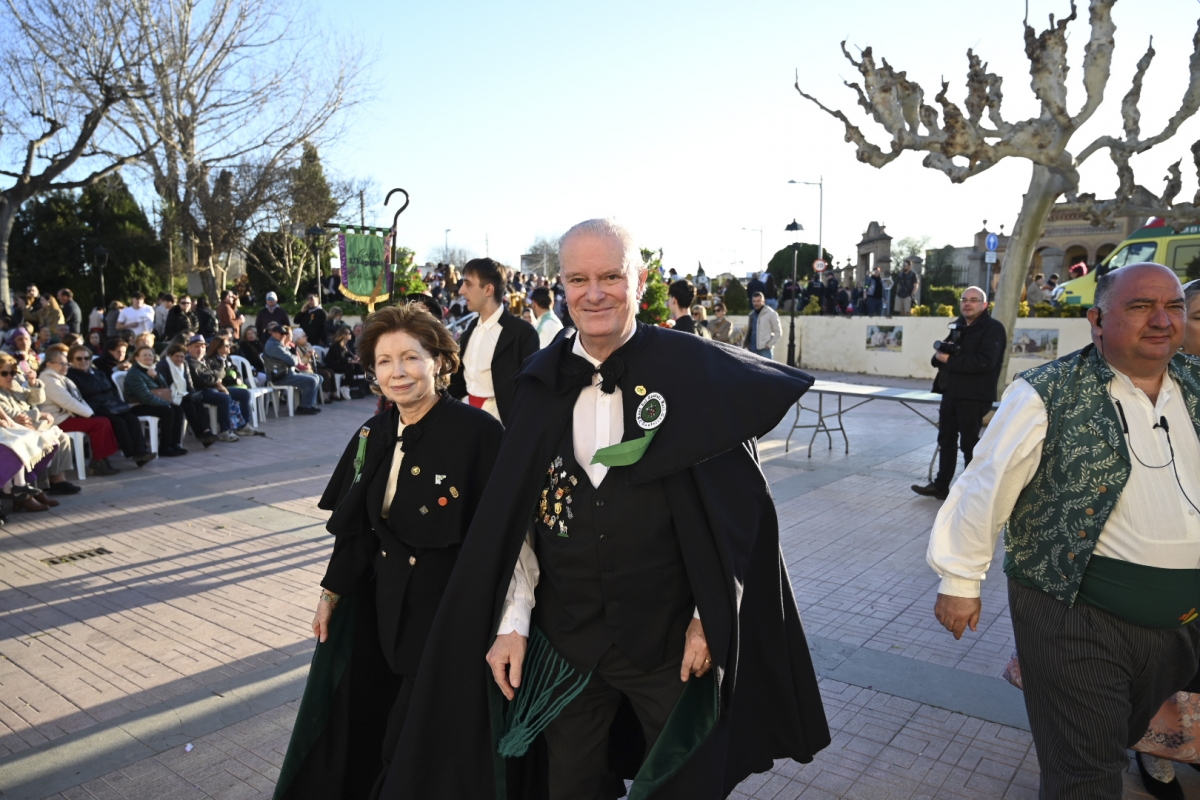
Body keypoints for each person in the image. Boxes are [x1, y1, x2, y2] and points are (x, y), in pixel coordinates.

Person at [377, 218, 829, 800]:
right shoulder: (537, 384)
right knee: (569, 787)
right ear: (561, 285)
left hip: (669, 644)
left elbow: (736, 513)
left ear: (639, 280)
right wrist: (513, 624)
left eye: (611, 276)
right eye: (578, 279)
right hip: (567, 642)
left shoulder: (691, 373)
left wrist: (708, 615)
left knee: (684, 785)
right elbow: (518, 521)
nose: (594, 294)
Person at [928, 262, 1200, 800]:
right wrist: (960, 579)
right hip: (1073, 613)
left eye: (1173, 307)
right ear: (1097, 320)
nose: (1162, 320)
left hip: (1179, 625)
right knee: (1085, 771)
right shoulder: (1045, 392)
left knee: (1115, 735)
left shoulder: (1194, 382)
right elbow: (985, 485)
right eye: (1141, 307)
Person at [273, 303, 504, 800]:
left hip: (451, 618)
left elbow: (504, 540)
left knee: (414, 740)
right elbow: (357, 530)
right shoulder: (372, 434)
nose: (397, 372)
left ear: (439, 361)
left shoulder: (480, 433)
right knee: (373, 722)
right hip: (385, 615)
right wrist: (330, 595)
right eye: (384, 361)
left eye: (410, 357)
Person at [912, 287, 1008, 500]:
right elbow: (942, 355)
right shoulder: (959, 326)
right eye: (964, 300)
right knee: (946, 439)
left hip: (974, 395)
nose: (967, 304)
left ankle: (972, 490)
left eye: (973, 300)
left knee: (969, 443)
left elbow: (985, 362)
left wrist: (951, 360)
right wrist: (940, 356)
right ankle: (941, 486)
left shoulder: (993, 329)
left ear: (984, 305)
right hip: (951, 391)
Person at [447, 258, 539, 424]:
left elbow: (530, 391)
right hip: (465, 418)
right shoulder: (472, 326)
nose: (461, 291)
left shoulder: (522, 333)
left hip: (501, 426)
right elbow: (461, 380)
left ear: (488, 289)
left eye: (468, 284)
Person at [0, 353, 82, 504]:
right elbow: (11, 415)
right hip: (16, 428)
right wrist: (39, 414)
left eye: (12, 373)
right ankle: (34, 491)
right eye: (4, 373)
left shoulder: (13, 385)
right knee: (39, 443)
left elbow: (36, 399)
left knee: (61, 438)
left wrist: (32, 383)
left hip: (25, 425)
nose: (9, 376)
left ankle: (58, 480)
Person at [66, 345, 156, 467]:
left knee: (131, 418)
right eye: (79, 358)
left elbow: (111, 388)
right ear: (71, 360)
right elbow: (86, 392)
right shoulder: (71, 376)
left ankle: (141, 452)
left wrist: (116, 401)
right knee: (118, 421)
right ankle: (134, 454)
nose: (84, 361)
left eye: (87, 358)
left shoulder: (97, 372)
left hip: (110, 404)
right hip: (94, 407)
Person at [38, 346, 122, 476]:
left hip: (66, 416)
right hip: (56, 419)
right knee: (99, 423)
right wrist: (89, 414)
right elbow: (67, 401)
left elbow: (78, 399)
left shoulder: (61, 377)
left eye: (66, 363)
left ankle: (102, 459)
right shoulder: (48, 378)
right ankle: (98, 461)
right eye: (61, 363)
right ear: (49, 364)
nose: (65, 366)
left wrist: (90, 413)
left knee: (104, 420)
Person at [124, 345, 188, 456]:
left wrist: (157, 375)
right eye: (144, 355)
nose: (148, 357)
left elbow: (164, 388)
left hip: (151, 403)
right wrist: (166, 404)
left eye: (150, 355)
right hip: (137, 405)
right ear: (137, 357)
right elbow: (145, 397)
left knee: (178, 409)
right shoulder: (134, 373)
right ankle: (165, 447)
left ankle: (174, 443)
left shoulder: (150, 370)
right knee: (168, 411)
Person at [185, 335, 249, 440]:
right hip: (201, 391)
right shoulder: (190, 362)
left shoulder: (206, 360)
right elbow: (202, 379)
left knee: (244, 394)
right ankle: (225, 431)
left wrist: (215, 377)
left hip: (214, 388)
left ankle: (243, 426)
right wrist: (217, 380)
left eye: (202, 347)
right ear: (189, 348)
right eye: (196, 346)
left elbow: (221, 372)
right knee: (224, 398)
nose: (200, 349)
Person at [158, 343, 219, 447]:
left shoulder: (184, 364)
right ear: (170, 356)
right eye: (177, 356)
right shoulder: (163, 365)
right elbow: (163, 385)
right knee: (189, 406)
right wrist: (184, 395)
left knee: (196, 402)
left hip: (183, 394)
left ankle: (206, 432)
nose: (180, 359)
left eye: (182, 356)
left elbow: (189, 383)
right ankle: (202, 435)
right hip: (170, 395)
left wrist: (192, 395)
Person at [264, 324, 322, 415]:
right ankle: (304, 407)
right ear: (274, 333)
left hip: (287, 373)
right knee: (312, 381)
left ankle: (309, 405)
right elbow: (293, 361)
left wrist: (293, 358)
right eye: (281, 333)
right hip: (279, 377)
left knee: (318, 377)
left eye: (285, 334)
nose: (284, 336)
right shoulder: (274, 346)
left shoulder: (278, 344)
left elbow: (293, 359)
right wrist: (294, 358)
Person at [324, 326, 366, 398]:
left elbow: (350, 354)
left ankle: (356, 386)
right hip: (332, 365)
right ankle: (345, 387)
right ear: (344, 335)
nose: (351, 334)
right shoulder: (336, 345)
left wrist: (355, 357)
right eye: (349, 333)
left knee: (358, 366)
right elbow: (341, 359)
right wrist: (352, 361)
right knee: (350, 366)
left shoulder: (345, 344)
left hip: (340, 364)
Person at [744, 291, 782, 359]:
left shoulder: (771, 313)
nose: (756, 303)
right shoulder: (752, 315)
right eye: (754, 301)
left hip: (765, 350)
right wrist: (747, 344)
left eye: (758, 301)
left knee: (767, 366)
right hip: (752, 349)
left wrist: (769, 345)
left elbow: (778, 332)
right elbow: (750, 331)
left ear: (763, 301)